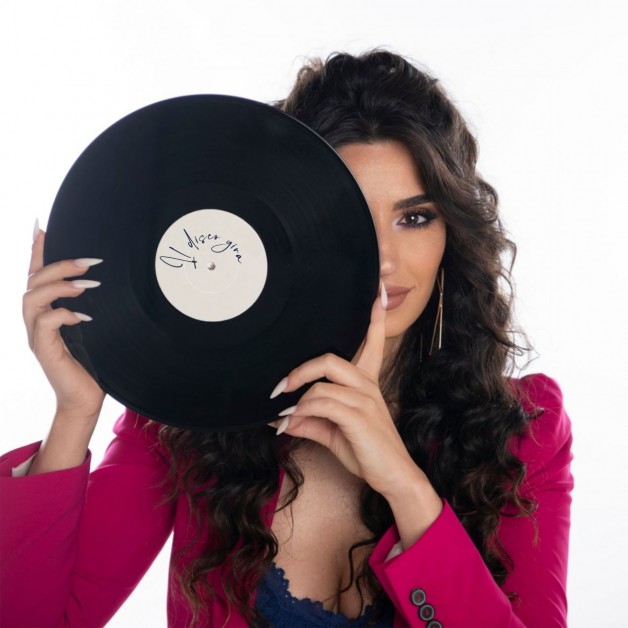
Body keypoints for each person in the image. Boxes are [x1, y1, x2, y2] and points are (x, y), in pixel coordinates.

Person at [0, 50, 573, 627]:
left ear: (453, 233)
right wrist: (74, 413)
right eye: (350, 214)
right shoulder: (192, 413)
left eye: (415, 217)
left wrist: (404, 486)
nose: (384, 260)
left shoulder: (527, 431)